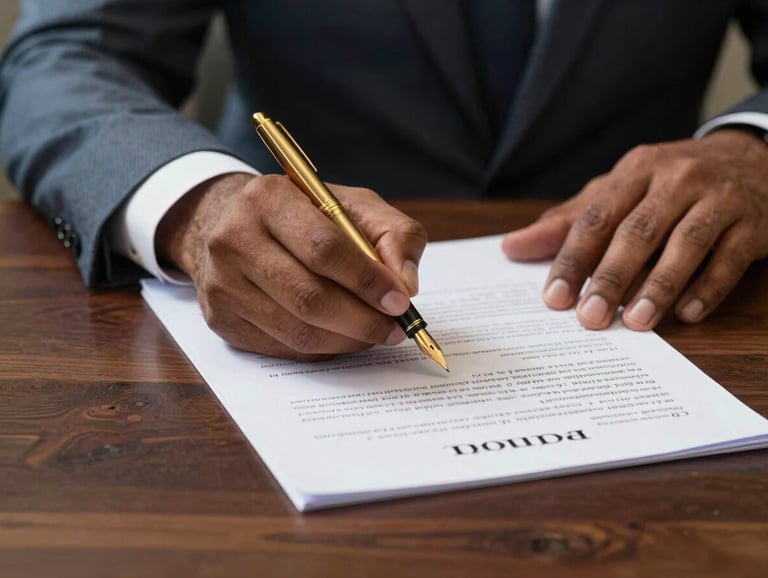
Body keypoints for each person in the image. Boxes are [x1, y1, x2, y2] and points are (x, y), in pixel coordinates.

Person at [1, 1, 767, 360]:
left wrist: (754, 148)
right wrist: (197, 207)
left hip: (665, 311)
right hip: (268, 314)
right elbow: (68, 57)